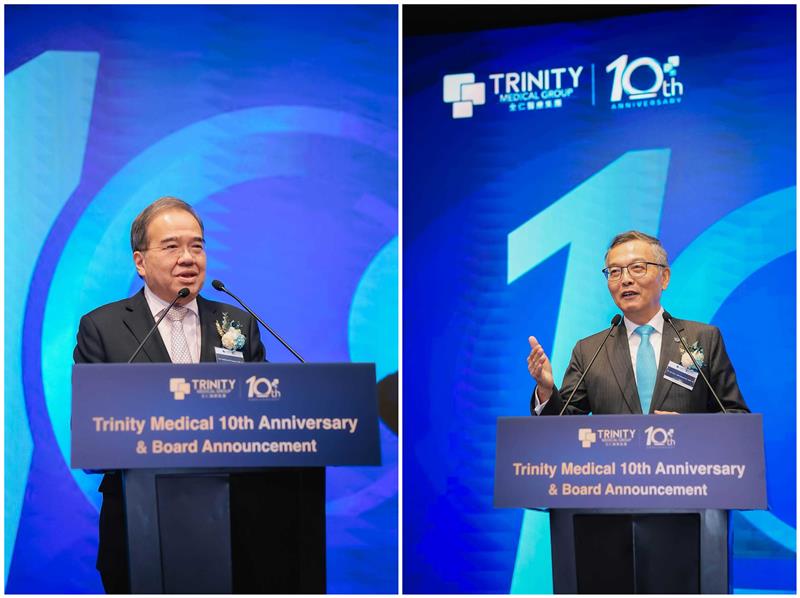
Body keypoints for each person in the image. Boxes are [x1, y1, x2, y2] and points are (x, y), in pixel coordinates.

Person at [74, 197, 324, 593]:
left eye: (197, 245)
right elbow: (92, 431)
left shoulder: (237, 322)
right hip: (141, 527)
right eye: (171, 246)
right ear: (140, 262)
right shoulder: (102, 328)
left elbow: (265, 419)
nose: (188, 257)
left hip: (237, 526)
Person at [527, 230, 749, 415]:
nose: (625, 279)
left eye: (637, 268)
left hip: (686, 465)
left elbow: (734, 415)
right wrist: (546, 391)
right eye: (614, 271)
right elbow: (563, 428)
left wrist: (686, 430)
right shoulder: (589, 351)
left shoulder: (703, 338)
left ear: (664, 277)